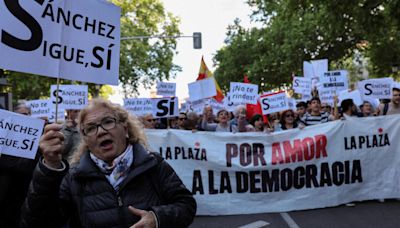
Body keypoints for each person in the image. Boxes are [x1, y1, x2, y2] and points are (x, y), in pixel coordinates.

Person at [21, 98, 196, 228]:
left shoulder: (154, 165)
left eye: (108, 122)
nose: (101, 132)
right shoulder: (74, 178)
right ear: (86, 140)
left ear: (125, 129)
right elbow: (36, 222)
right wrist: (49, 166)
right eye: (91, 128)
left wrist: (157, 218)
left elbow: (186, 205)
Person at [0, 103, 38, 228]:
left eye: (28, 115)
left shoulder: (34, 138)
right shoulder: (6, 139)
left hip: (25, 197)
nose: (26, 117)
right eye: (23, 115)